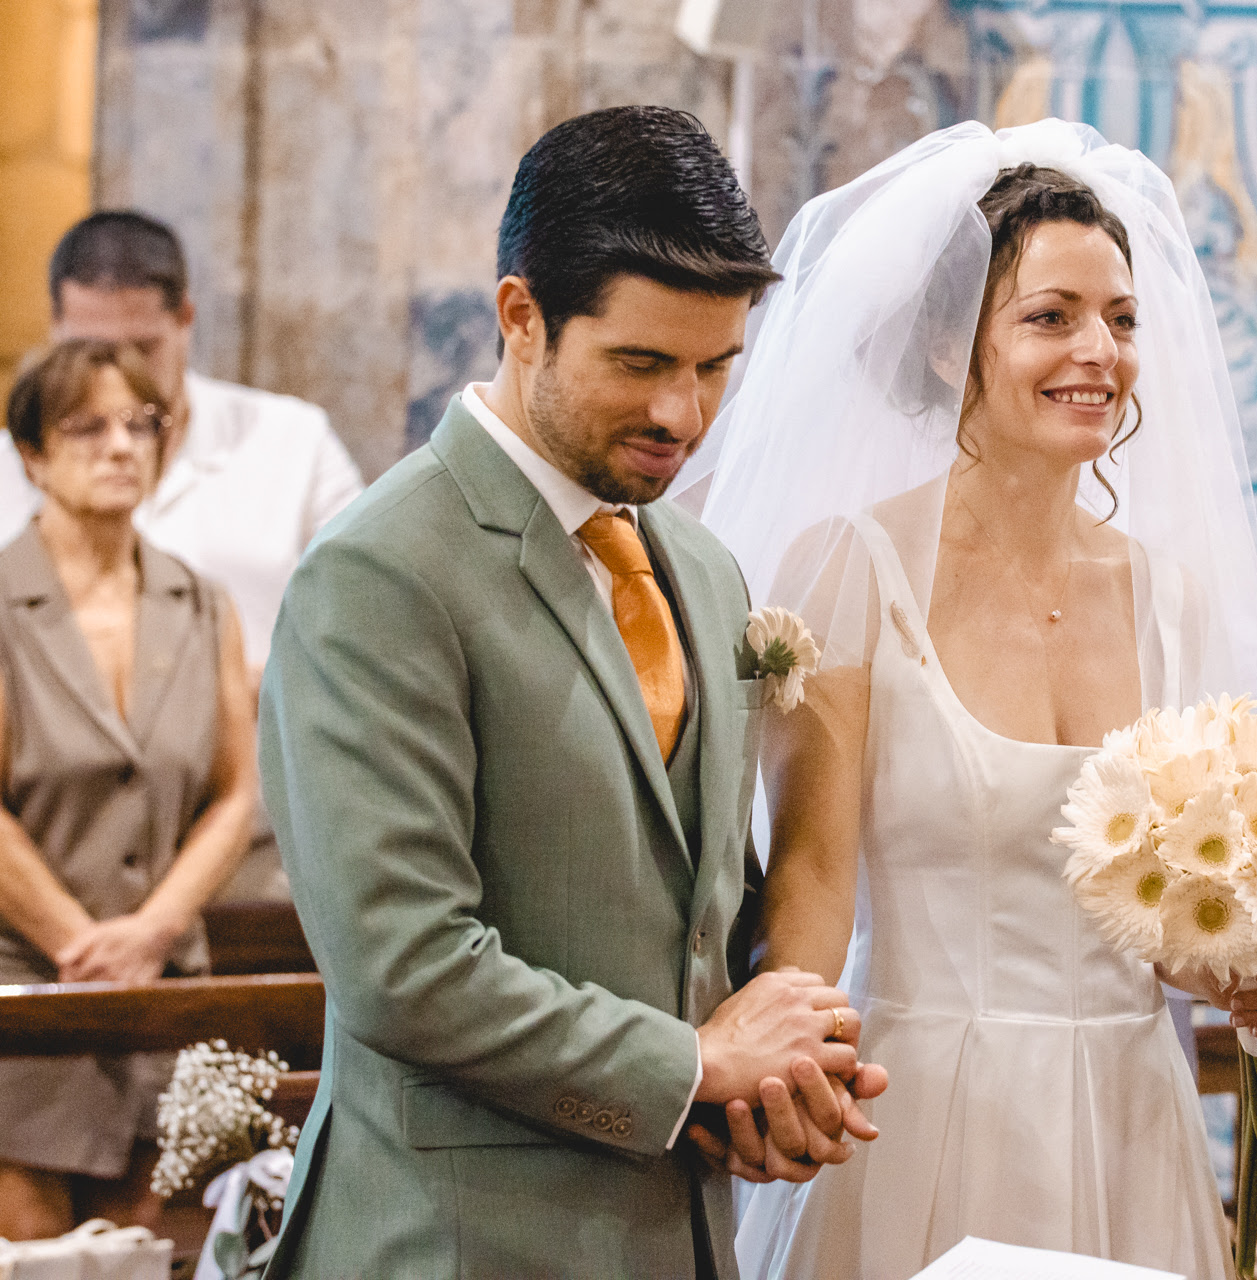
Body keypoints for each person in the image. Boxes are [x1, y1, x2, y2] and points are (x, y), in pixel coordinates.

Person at [685, 120, 1257, 1280]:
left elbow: (1164, 924)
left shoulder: (1169, 601)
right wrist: (790, 1068)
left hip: (1127, 1116)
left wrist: (1240, 967)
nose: (1100, 351)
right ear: (949, 347)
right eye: (1051, 316)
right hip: (923, 1104)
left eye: (1121, 319)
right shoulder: (852, 570)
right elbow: (812, 874)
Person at [256, 107, 882, 1280]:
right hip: (453, 1243)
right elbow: (404, 964)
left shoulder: (701, 567)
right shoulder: (380, 572)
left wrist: (777, 1075)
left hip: (675, 1235)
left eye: (714, 367)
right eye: (640, 363)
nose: (683, 415)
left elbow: (699, 907)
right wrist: (697, 1067)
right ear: (521, 317)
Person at [0, 211, 364, 899]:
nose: (115, 370)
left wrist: (233, 687)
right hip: (46, 861)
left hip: (254, 854)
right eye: (88, 348)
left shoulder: (292, 442)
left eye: (141, 347)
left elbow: (371, 633)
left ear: (185, 320)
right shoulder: (14, 465)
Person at [0, 339, 255, 1240]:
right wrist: (83, 948)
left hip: (164, 982)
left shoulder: (200, 602)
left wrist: (152, 933)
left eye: (141, 424)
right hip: (26, 985)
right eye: (87, 427)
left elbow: (236, 793)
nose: (121, 446)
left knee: (155, 1249)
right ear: (32, 454)